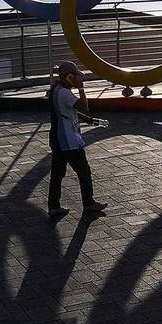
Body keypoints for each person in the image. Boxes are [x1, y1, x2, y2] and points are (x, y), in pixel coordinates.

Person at [48, 61, 107, 217]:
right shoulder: (65, 93)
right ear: (68, 77)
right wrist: (81, 88)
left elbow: (70, 110)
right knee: (84, 171)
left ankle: (53, 206)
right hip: (69, 141)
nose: (77, 79)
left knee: (57, 174)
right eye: (75, 77)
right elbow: (83, 106)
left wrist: (89, 120)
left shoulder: (57, 90)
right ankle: (88, 203)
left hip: (57, 139)